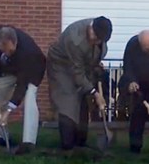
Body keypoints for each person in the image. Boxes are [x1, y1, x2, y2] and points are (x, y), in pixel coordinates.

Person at [46, 16, 112, 153]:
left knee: (83, 98)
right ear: (91, 27)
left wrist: (96, 66)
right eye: (94, 36)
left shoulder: (101, 32)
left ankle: (80, 141)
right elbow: (77, 73)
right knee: (68, 100)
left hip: (82, 64)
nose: (95, 40)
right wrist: (95, 93)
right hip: (61, 64)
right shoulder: (74, 39)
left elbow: (93, 56)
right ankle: (68, 144)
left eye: (99, 40)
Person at [0, 25, 46, 154]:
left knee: (29, 96)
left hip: (32, 70)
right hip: (10, 68)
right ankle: (0, 137)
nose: (6, 53)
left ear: (15, 43)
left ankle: (28, 142)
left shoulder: (29, 53)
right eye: (3, 50)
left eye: (9, 51)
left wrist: (8, 111)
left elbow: (21, 86)